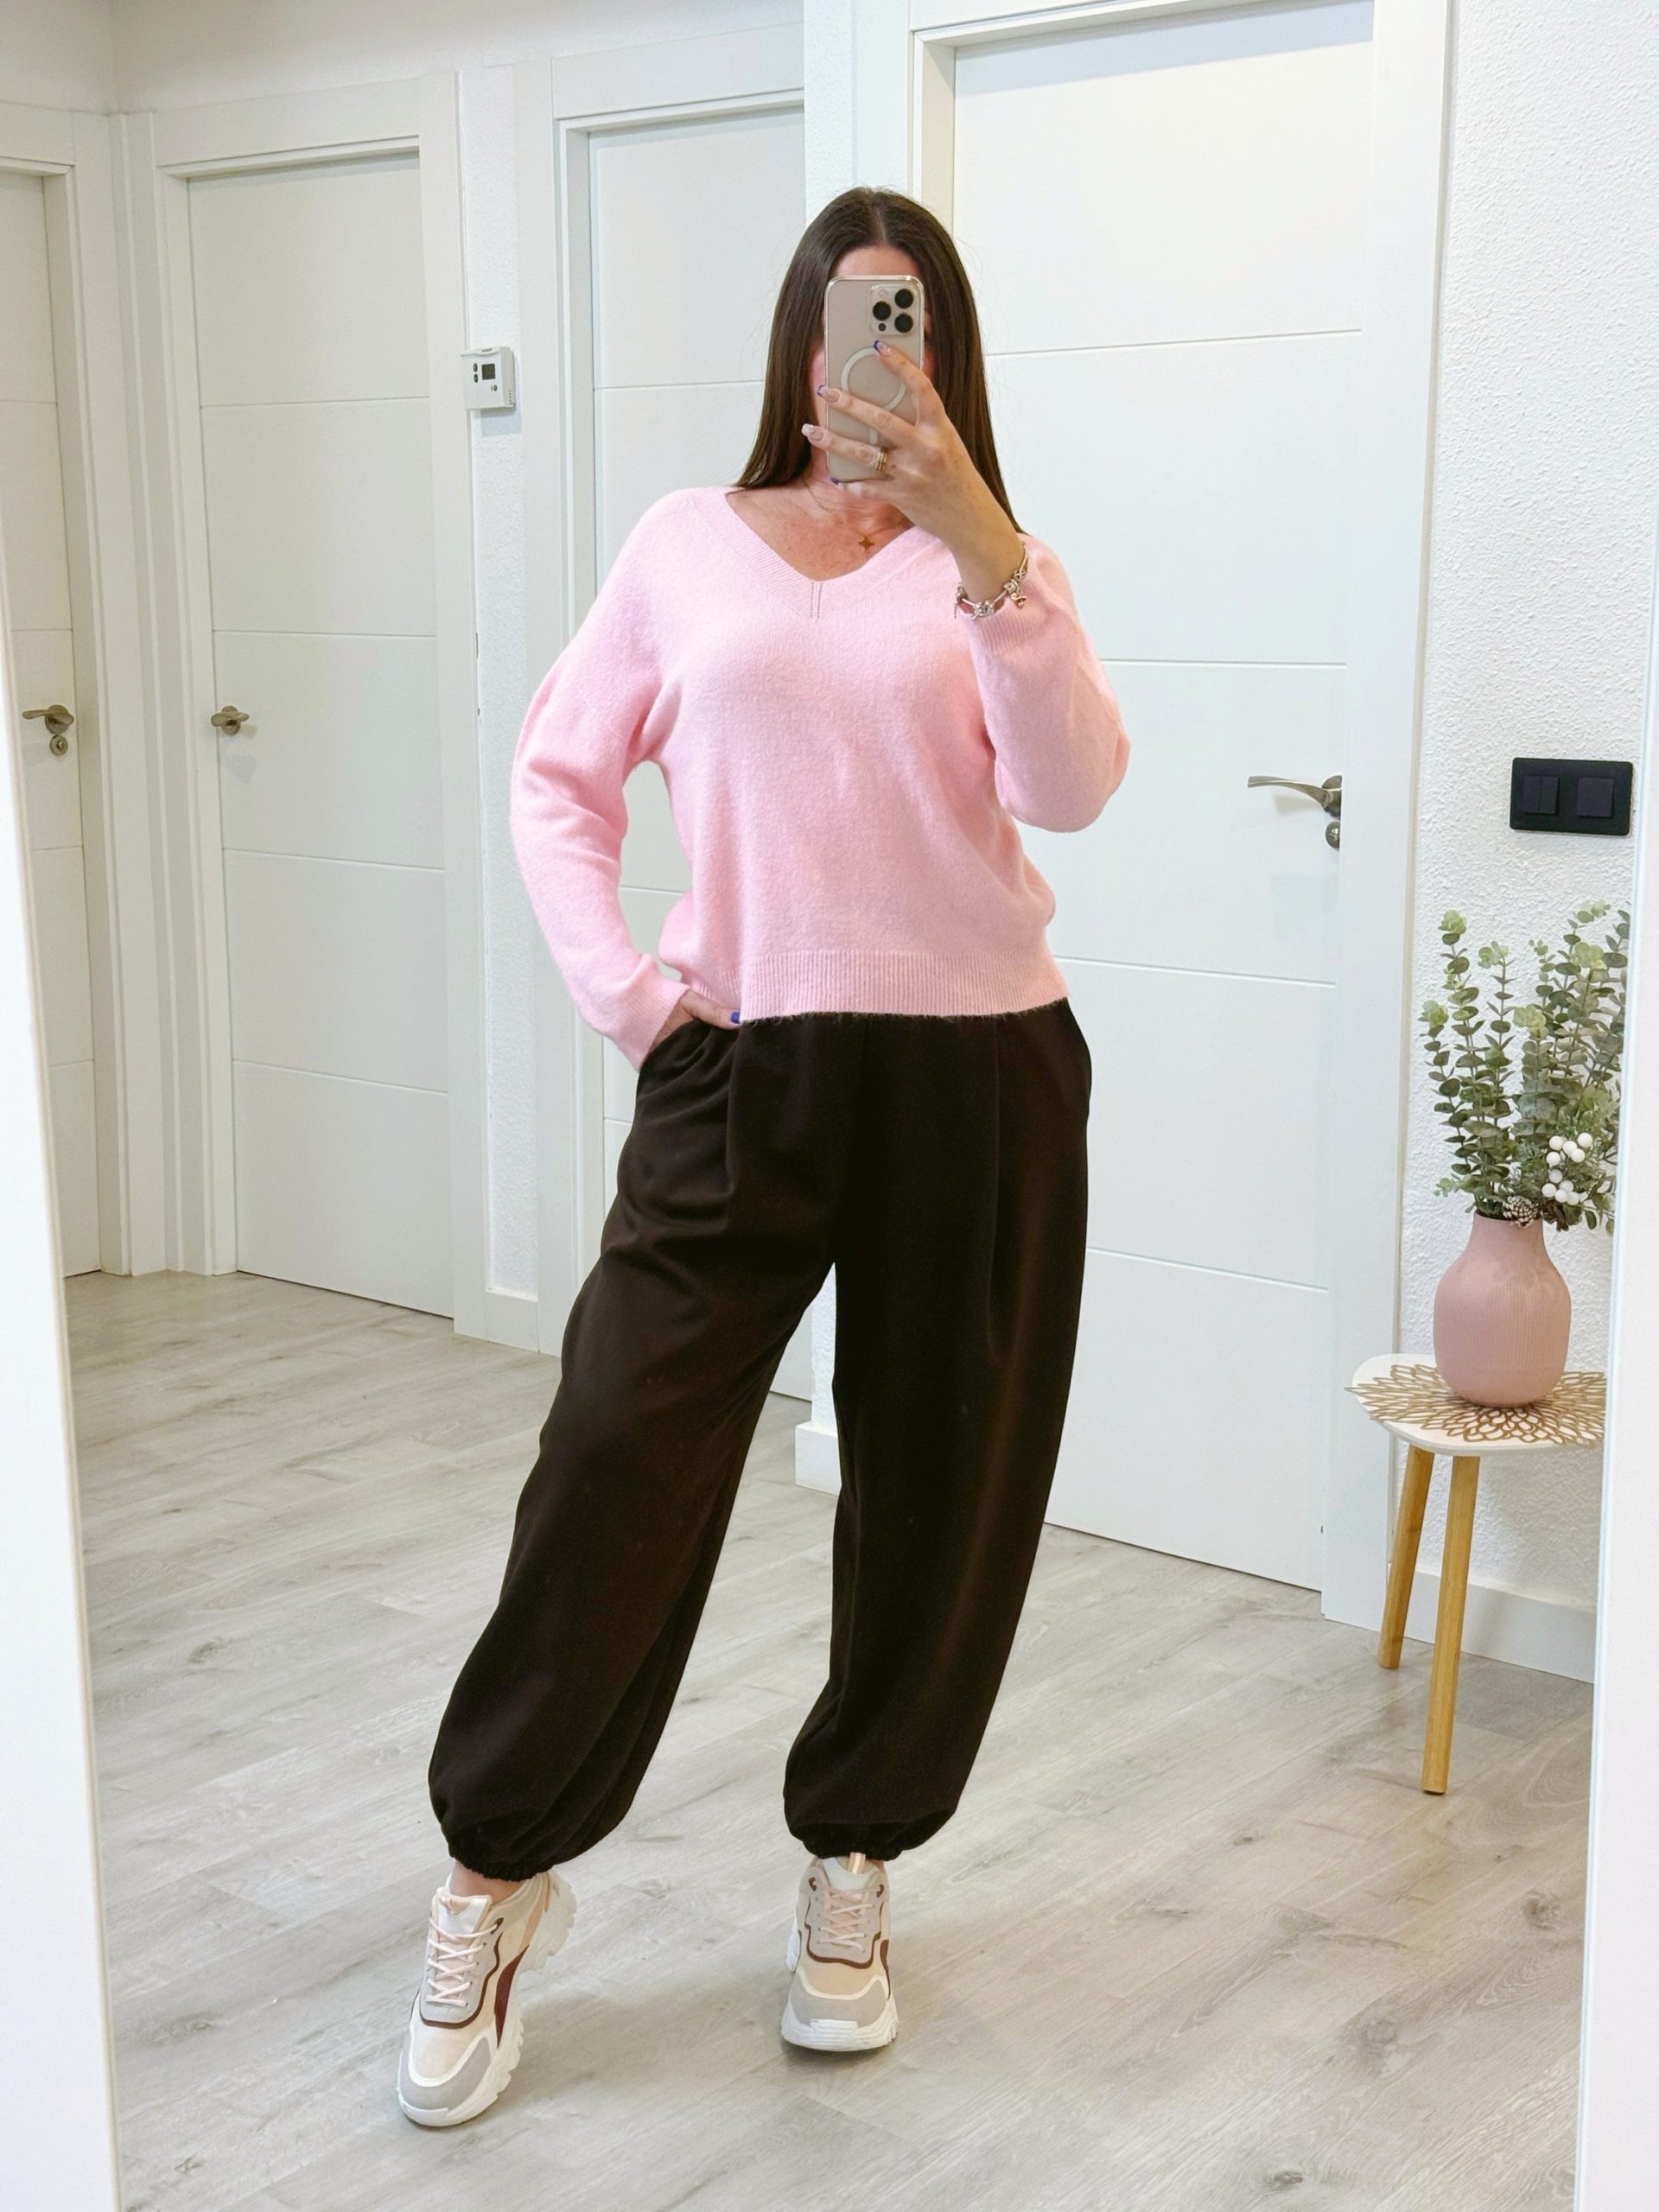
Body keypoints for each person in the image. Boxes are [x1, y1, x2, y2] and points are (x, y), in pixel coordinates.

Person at [397, 187, 1130, 2128]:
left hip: (979, 1071)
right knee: (614, 1455)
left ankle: (856, 1862)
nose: (878, 356)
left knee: (942, 1480)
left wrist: (983, 546)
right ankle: (495, 1868)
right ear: (803, 346)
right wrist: (634, 999)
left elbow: (1070, 790)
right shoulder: (682, 545)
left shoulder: (1001, 567)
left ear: (946, 353)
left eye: (911, 322)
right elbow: (559, 777)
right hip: (739, 1069)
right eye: (850, 320)